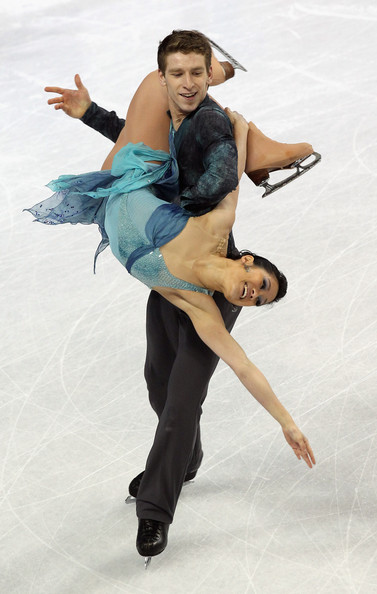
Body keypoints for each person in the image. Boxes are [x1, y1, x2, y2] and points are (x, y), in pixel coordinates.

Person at [39, 30, 317, 564]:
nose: (254, 295)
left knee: (183, 399)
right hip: (174, 243)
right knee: (158, 383)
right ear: (248, 261)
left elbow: (245, 368)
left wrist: (287, 421)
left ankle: (155, 510)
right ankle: (184, 457)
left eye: (259, 300)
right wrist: (91, 114)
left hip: (184, 269)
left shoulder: (211, 303)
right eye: (260, 284)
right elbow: (154, 149)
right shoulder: (214, 223)